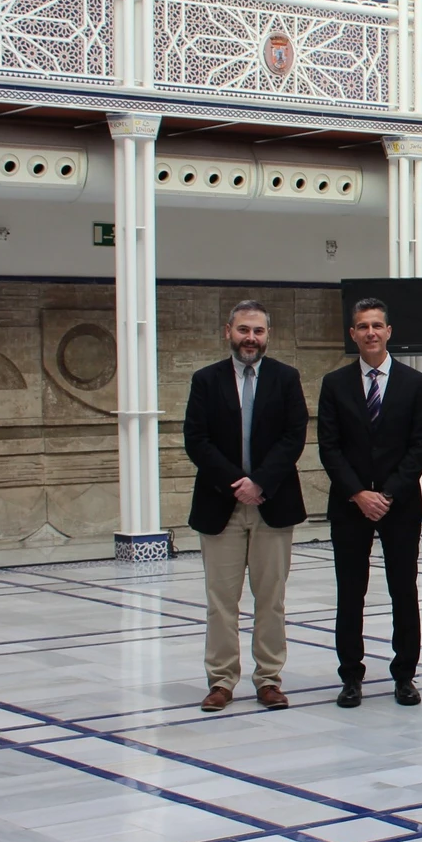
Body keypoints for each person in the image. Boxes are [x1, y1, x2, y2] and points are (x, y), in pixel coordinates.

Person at [182, 300, 308, 713]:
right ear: (228, 332)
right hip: (222, 505)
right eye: (243, 330)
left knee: (270, 597)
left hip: (272, 502)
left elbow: (294, 437)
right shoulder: (206, 380)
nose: (250, 338)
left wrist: (260, 483)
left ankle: (269, 678)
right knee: (221, 600)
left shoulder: (286, 379)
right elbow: (196, 440)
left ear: (267, 336)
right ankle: (221, 681)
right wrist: (237, 484)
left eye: (257, 331)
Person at [316, 297, 422, 709]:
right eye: (362, 326)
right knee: (351, 592)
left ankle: (405, 675)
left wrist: (387, 494)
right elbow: (328, 447)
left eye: (377, 326)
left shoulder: (413, 384)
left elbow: (421, 445)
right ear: (353, 334)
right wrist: (358, 493)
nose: (370, 332)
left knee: (404, 590)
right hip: (350, 505)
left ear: (388, 332)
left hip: (398, 505)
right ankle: (351, 676)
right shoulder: (334, 384)